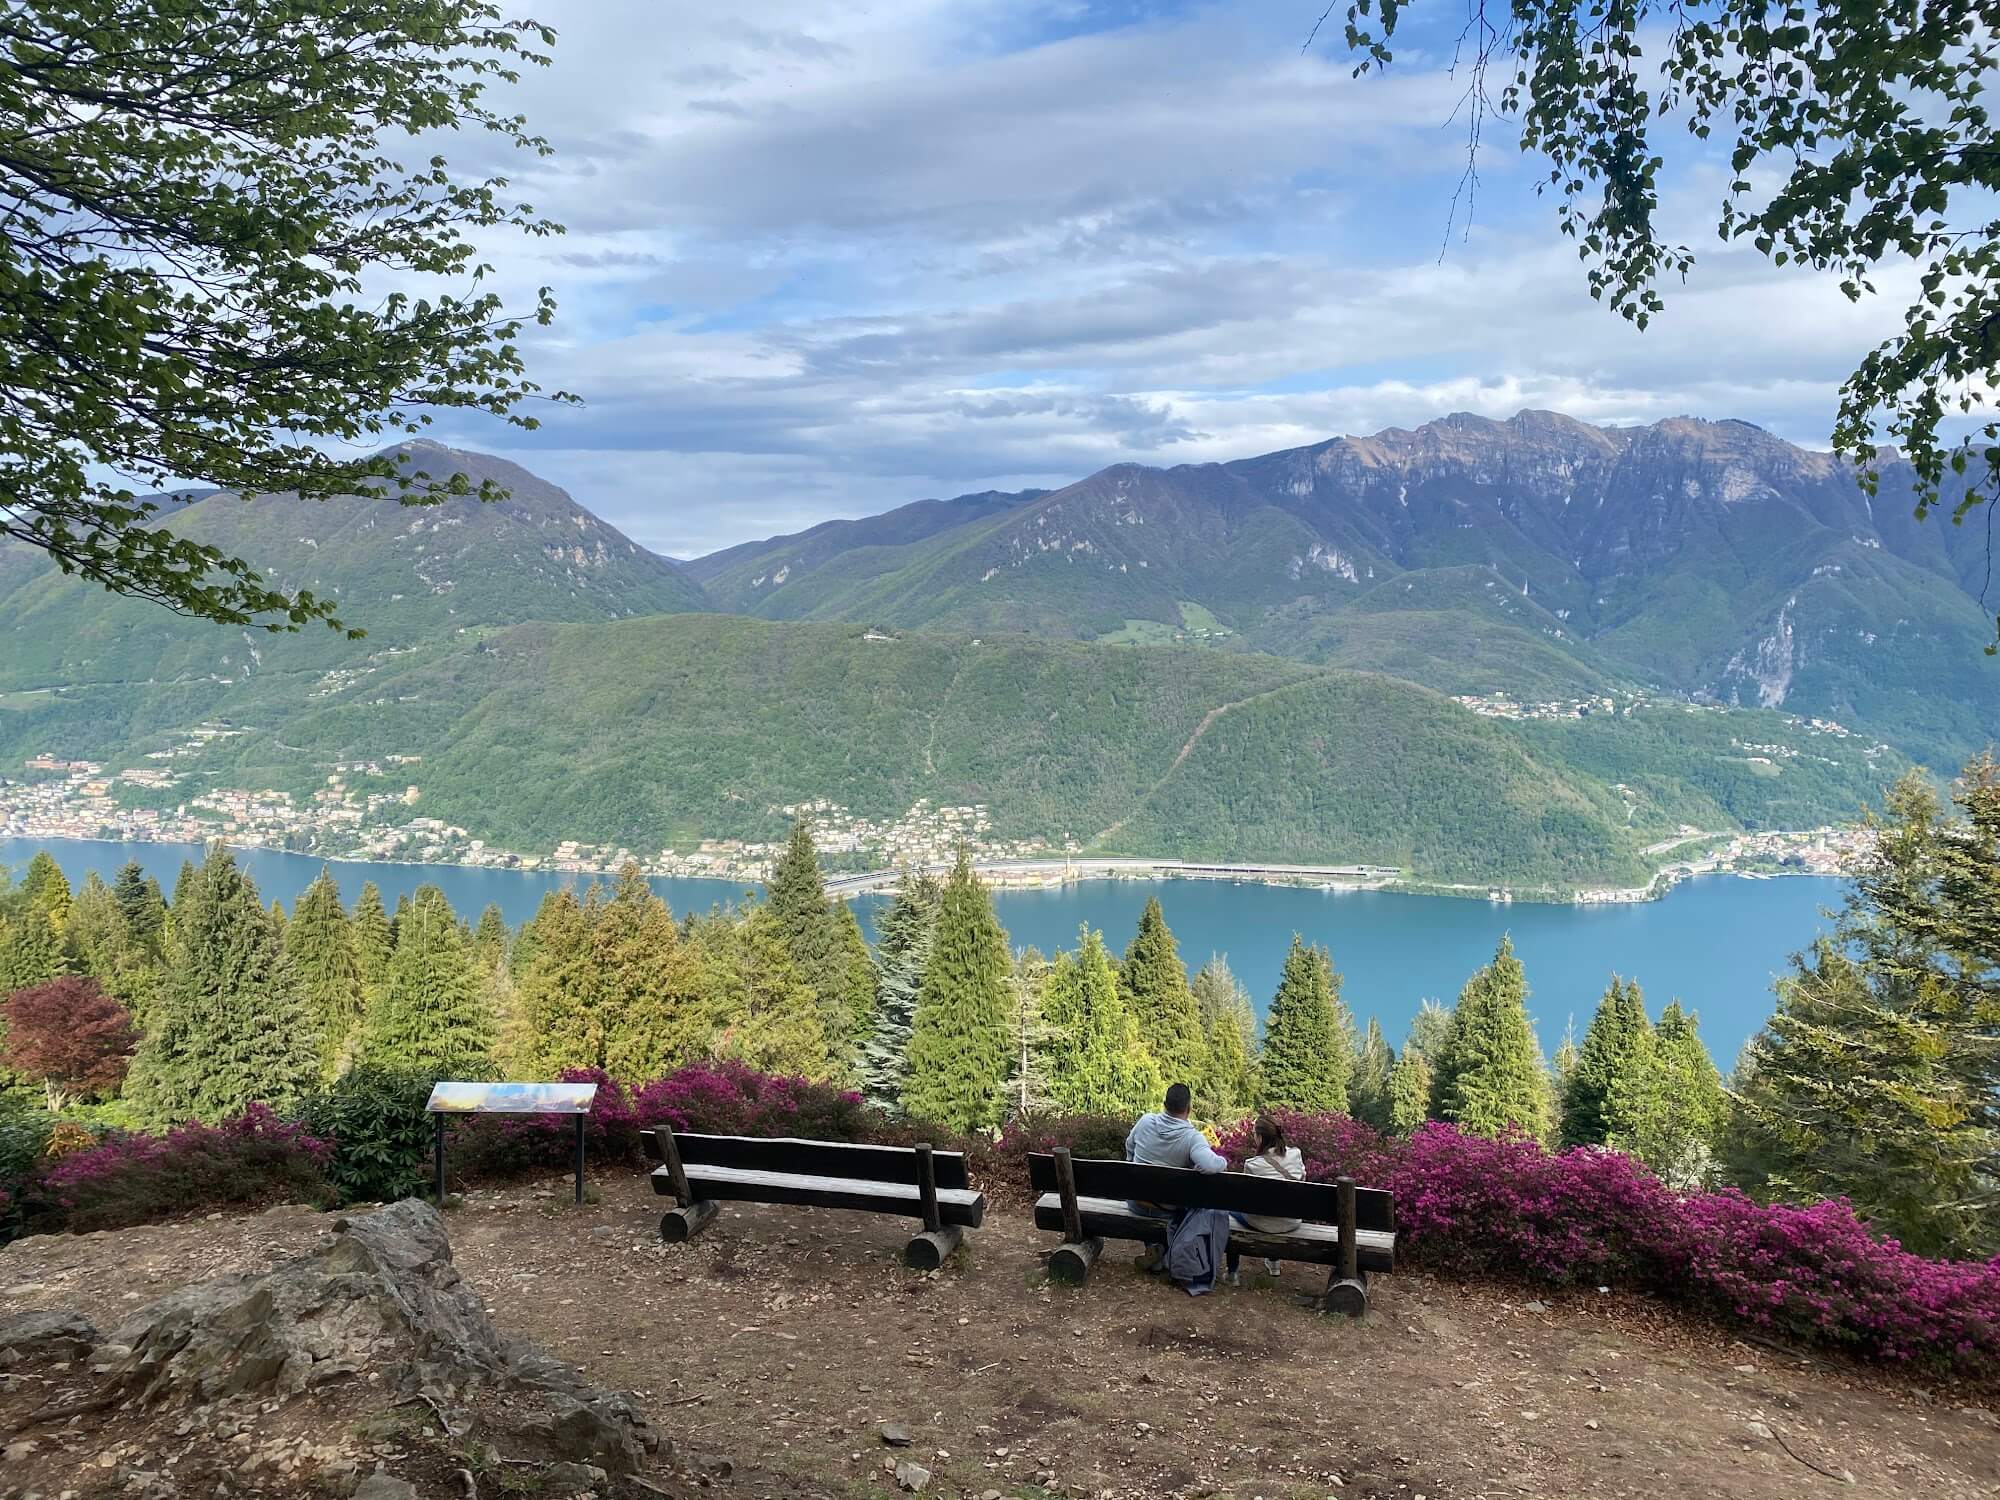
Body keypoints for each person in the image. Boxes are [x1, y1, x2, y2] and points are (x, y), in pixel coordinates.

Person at [1125, 1083, 1225, 1271]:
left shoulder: (1145, 1121)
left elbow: (1129, 1147)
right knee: (1190, 1207)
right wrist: (1223, 1161)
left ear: (1164, 1104)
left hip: (1136, 1203)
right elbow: (1210, 1165)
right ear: (1189, 1108)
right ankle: (1165, 1252)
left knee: (1149, 1191)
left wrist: (1133, 1168)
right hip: (1168, 1210)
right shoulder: (1192, 1138)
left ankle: (1155, 1250)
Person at [1224, 1115, 1305, 1286]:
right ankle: (1274, 1264)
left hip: (1262, 1222)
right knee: (1278, 1206)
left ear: (1260, 1138)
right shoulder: (1296, 1155)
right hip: (1291, 1221)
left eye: (1254, 1134)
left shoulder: (1253, 1165)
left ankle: (1233, 1273)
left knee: (1230, 1211)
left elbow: (1245, 1199)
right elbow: (1302, 1180)